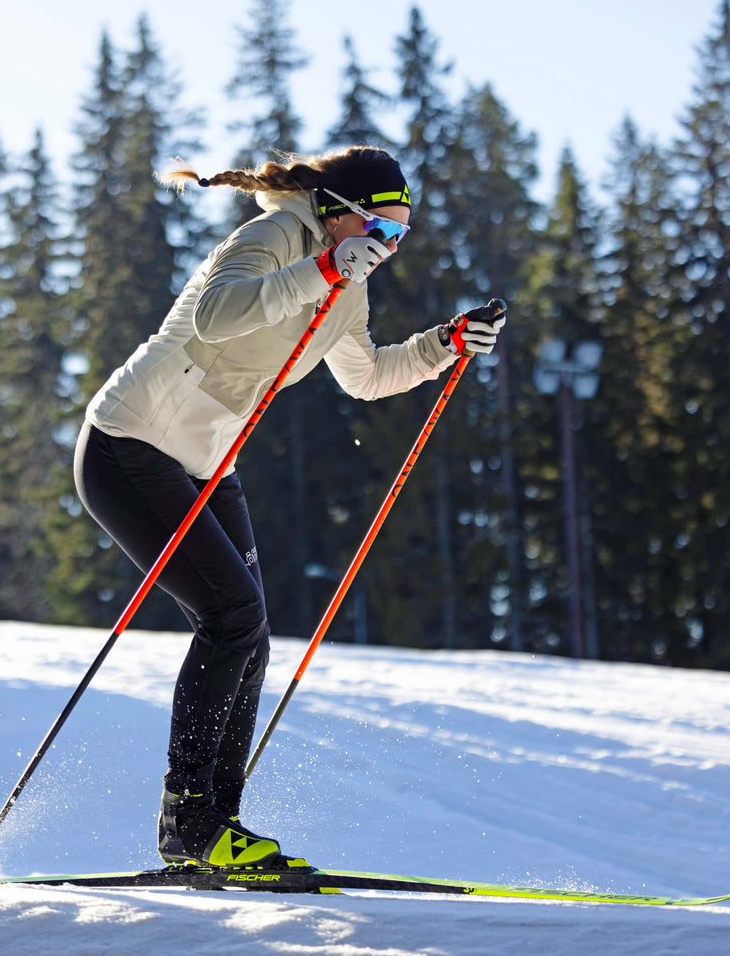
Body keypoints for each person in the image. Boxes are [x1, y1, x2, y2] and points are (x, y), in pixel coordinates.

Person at [74, 147, 505, 868]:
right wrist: (323, 271)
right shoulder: (274, 236)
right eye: (379, 229)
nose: (386, 248)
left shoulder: (350, 283)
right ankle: (191, 826)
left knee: (253, 634)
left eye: (398, 237)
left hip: (207, 466)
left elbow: (366, 377)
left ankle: (218, 825)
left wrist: (444, 345)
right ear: (337, 212)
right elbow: (216, 316)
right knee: (231, 617)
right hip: (130, 442)